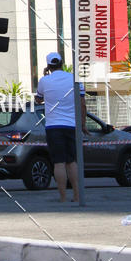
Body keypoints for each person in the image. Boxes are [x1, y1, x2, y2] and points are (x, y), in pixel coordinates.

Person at [34, 52, 88, 202]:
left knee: (59, 162)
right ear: (62, 63)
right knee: (72, 161)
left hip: (53, 126)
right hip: (72, 125)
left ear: (48, 66)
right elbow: (82, 104)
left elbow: (38, 100)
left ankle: (63, 196)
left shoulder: (44, 81)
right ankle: (77, 195)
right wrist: (82, 124)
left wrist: (45, 75)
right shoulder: (74, 79)